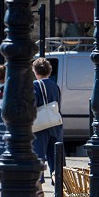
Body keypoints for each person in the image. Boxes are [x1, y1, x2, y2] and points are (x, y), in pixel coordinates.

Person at [31, 57, 63, 186]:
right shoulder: (55, 86)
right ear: (49, 71)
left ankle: (38, 187)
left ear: (35, 71)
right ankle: (58, 182)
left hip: (40, 126)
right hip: (55, 124)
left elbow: (33, 104)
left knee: (38, 155)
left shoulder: (35, 85)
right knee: (55, 157)